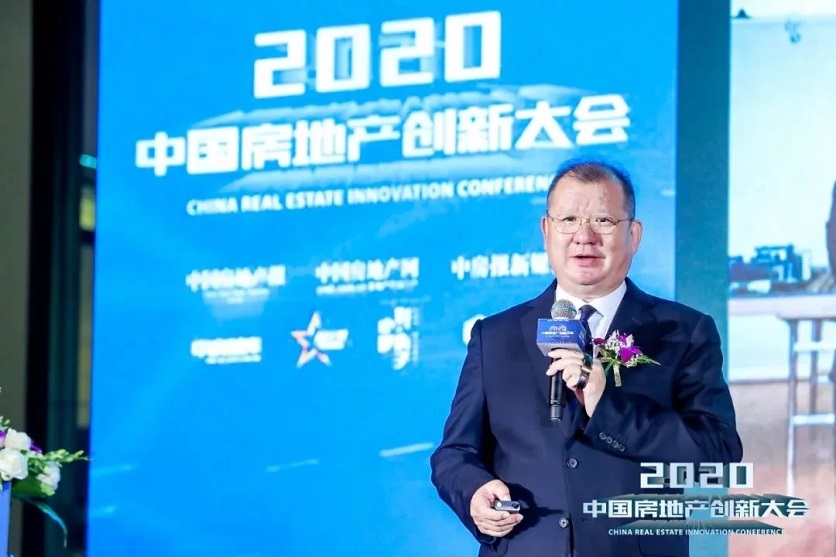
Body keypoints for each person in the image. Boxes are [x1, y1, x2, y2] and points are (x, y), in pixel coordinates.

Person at [430, 158, 743, 557]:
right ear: (546, 231)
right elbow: (455, 454)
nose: (584, 236)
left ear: (634, 234)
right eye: (569, 220)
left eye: (604, 221)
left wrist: (606, 407)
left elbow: (717, 453)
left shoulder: (683, 331)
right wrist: (474, 492)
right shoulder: (495, 336)